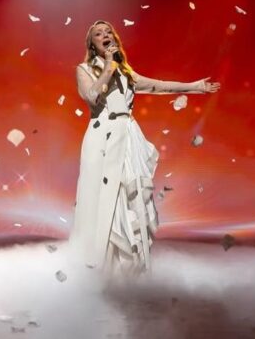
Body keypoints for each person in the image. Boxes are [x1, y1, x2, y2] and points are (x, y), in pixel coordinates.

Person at [71, 20, 220, 273]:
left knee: (129, 197)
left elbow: (158, 86)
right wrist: (108, 65)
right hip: (102, 137)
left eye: (108, 32)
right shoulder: (84, 69)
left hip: (128, 136)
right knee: (102, 197)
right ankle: (100, 266)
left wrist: (194, 87)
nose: (105, 35)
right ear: (92, 44)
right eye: (98, 34)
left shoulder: (126, 74)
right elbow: (92, 96)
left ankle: (128, 267)